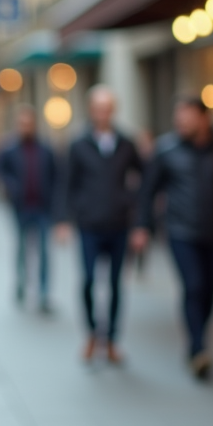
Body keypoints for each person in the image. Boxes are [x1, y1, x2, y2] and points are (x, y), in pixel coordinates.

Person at [130, 97, 213, 380]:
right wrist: (141, 227)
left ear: (204, 119)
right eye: (178, 119)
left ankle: (199, 340)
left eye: (187, 118)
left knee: (211, 290)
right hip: (180, 232)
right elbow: (148, 191)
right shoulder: (166, 150)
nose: (181, 124)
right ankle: (198, 347)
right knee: (194, 285)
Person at [62, 85, 142, 363]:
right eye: (98, 108)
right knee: (87, 281)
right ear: (91, 110)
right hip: (89, 225)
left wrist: (131, 206)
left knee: (117, 284)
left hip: (119, 224)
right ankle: (92, 335)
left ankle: (112, 340)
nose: (102, 114)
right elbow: (68, 184)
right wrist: (65, 220)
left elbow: (143, 178)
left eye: (107, 108)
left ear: (113, 110)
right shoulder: (79, 143)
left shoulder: (126, 142)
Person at [0, 105, 59, 313]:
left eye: (29, 123)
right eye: (22, 124)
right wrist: (11, 187)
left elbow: (56, 176)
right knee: (22, 250)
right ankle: (22, 284)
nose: (26, 127)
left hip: (42, 207)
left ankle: (43, 294)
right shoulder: (9, 150)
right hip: (21, 208)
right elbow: (1, 172)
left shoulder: (46, 149)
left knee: (43, 252)